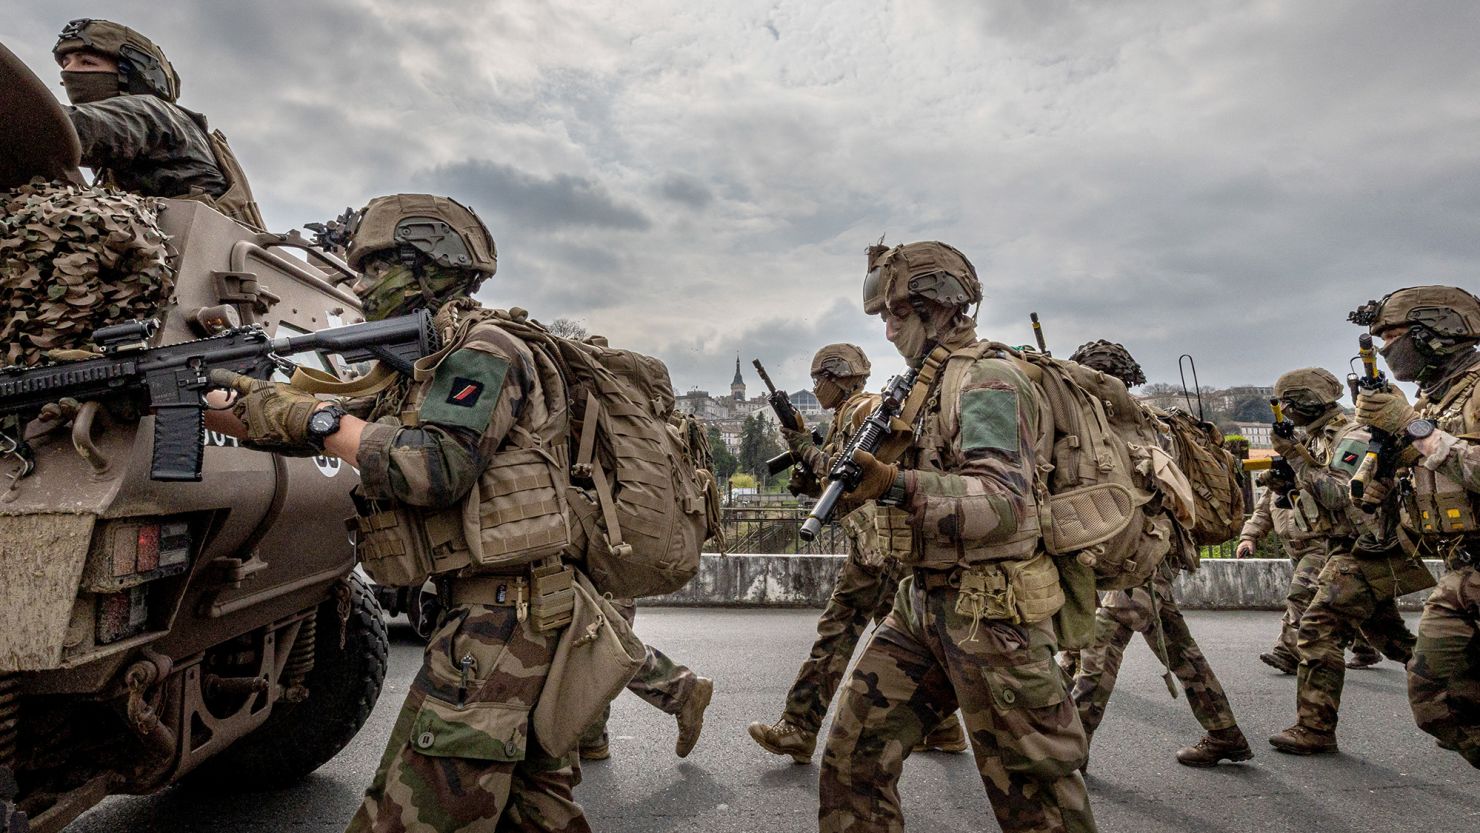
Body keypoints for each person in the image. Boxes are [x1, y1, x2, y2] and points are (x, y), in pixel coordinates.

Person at [206, 193, 591, 832]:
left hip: (501, 623)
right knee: (536, 814)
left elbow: (435, 467)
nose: (361, 286)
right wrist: (234, 403)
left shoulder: (485, 349)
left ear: (431, 267)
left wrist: (314, 417)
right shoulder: (427, 361)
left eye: (377, 268)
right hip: (507, 614)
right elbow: (345, 427)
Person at [818, 241, 1095, 833]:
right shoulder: (927, 382)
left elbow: (1004, 502)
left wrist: (894, 484)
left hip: (993, 612)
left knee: (1036, 800)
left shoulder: (986, 380)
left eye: (898, 314)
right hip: (922, 602)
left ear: (939, 307)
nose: (888, 330)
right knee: (853, 759)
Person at [749, 343, 965, 764]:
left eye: (819, 380)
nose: (816, 388)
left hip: (877, 547)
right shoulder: (847, 415)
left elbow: (852, 471)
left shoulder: (863, 411)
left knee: (838, 630)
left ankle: (799, 726)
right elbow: (836, 479)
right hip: (877, 545)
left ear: (837, 378)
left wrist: (803, 446)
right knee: (907, 639)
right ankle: (943, 728)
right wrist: (808, 473)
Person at [1065, 340, 1252, 768]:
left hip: (1144, 556)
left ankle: (1068, 755)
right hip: (1148, 556)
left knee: (1100, 646)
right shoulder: (1140, 422)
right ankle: (1225, 733)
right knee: (1178, 647)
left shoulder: (1130, 428)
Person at [1266, 367, 1428, 755]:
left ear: (1307, 401)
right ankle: (1458, 694)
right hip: (1348, 546)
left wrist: (1295, 457)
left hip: (1366, 548)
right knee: (1394, 641)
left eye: (1288, 403)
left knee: (1317, 629)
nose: (1285, 412)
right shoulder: (1320, 437)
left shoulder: (1352, 434)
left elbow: (1339, 493)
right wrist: (1289, 479)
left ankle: (1315, 729)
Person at [1350, 285, 1480, 767]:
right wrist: (1387, 480)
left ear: (1436, 330)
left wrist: (1412, 428)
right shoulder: (1435, 401)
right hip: (1462, 573)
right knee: (1438, 704)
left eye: (1393, 335)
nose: (1386, 349)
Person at [51, 18, 263, 227]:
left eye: (87, 62)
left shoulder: (154, 113)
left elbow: (63, 127)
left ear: (134, 75)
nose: (68, 72)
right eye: (66, 63)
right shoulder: (119, 159)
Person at [1237, 472, 1382, 674]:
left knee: (1300, 595)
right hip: (1294, 551)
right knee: (1337, 603)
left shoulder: (1313, 476)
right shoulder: (1277, 481)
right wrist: (1249, 538)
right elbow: (1262, 513)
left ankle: (1288, 652)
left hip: (1319, 547)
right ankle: (1365, 647)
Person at [577, 600, 713, 761]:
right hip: (603, 591)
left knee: (608, 648)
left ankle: (682, 689)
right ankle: (589, 736)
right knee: (592, 652)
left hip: (601, 590)